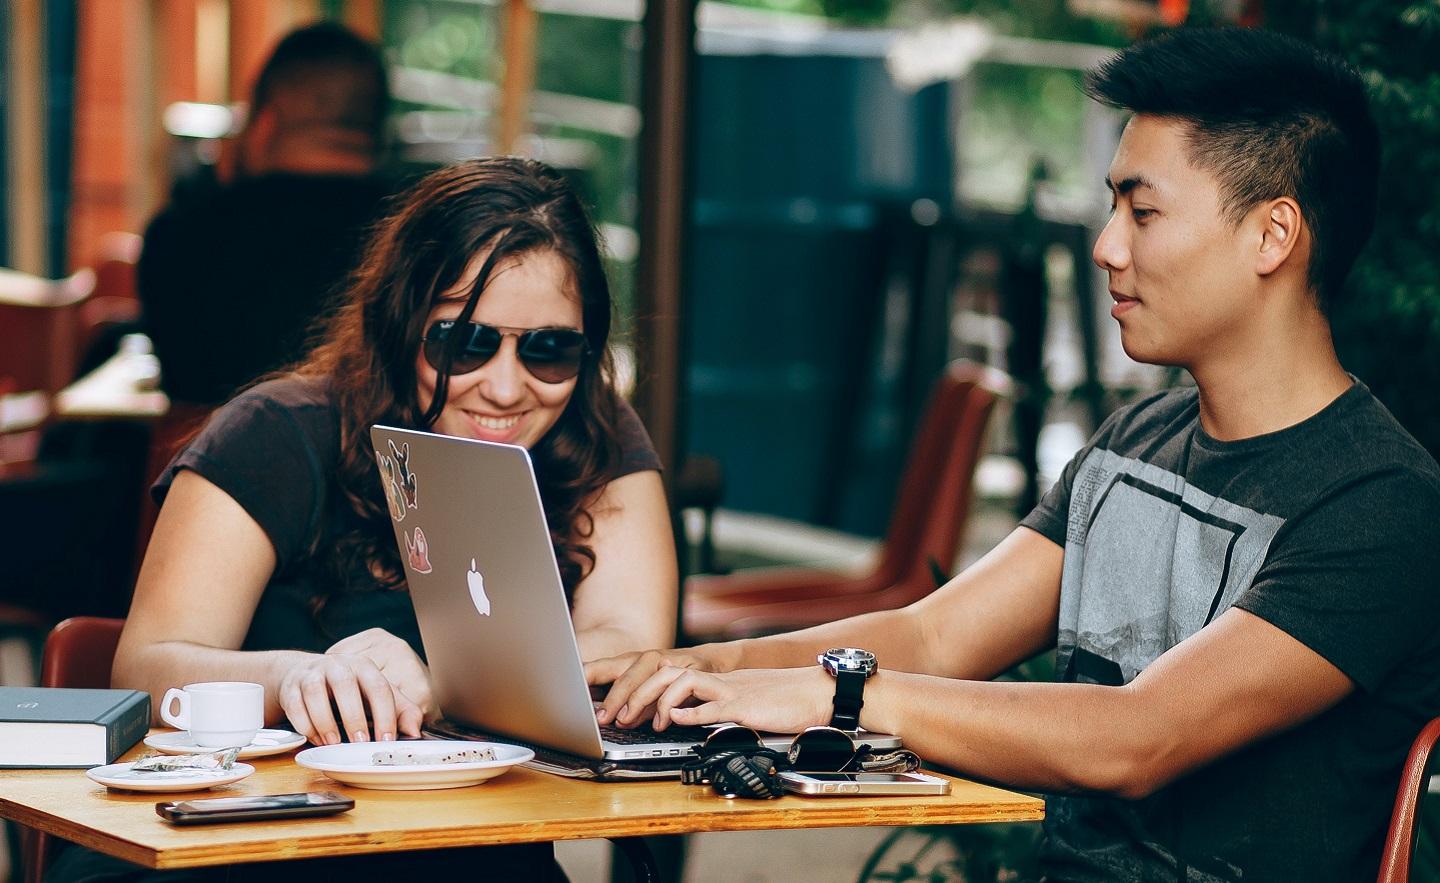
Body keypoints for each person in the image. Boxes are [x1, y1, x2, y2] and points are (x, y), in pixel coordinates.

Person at [590, 28, 1440, 882]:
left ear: (1273, 235)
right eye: (1114, 209)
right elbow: (935, 631)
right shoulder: (1132, 445)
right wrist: (705, 665)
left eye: (1143, 212)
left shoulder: (1379, 503)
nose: (1109, 246)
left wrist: (844, 696)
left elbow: (1140, 736)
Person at [47, 158, 679, 881]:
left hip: (466, 849)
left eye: (550, 349)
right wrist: (299, 681)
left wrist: (444, 682)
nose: (507, 388)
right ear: (401, 322)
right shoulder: (278, 430)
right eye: (465, 342)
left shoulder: (592, 430)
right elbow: (147, 664)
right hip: (243, 839)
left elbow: (631, 646)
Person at [136, 21, 394, 406]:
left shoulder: (180, 234)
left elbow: (179, 383)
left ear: (264, 122)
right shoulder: (418, 232)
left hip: (210, 462)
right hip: (374, 463)